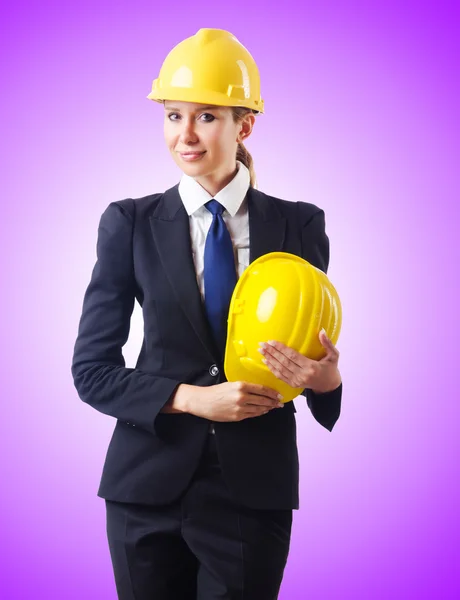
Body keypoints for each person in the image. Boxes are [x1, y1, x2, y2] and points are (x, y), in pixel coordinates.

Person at [71, 28, 343, 600]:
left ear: (244, 124)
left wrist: (325, 378)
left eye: (206, 117)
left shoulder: (300, 226)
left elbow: (312, 360)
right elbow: (91, 370)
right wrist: (195, 400)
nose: (185, 135)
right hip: (144, 489)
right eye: (173, 116)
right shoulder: (130, 223)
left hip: (252, 491)